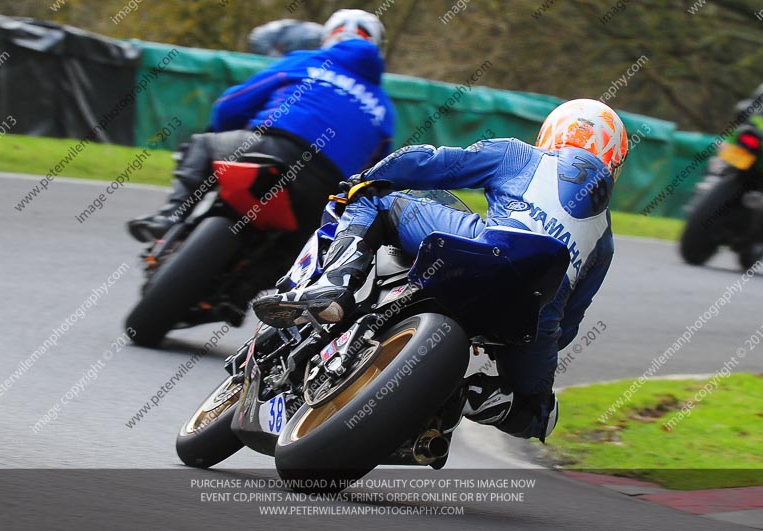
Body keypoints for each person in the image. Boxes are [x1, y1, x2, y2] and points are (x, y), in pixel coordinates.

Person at [253, 99, 628, 442]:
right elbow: (566, 328)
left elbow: (436, 163)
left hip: (489, 249)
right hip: (535, 312)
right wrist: (514, 336)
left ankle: (335, 285)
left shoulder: (522, 155)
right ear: (614, 159)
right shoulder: (605, 239)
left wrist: (370, 176)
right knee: (537, 414)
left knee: (376, 201)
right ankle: (464, 397)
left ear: (553, 132)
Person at [127, 8, 395, 243]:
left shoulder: (305, 60)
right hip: (325, 186)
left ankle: (170, 216)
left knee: (203, 145)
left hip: (269, 145)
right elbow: (377, 174)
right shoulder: (384, 107)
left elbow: (231, 105)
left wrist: (224, 130)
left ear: (328, 37)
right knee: (298, 244)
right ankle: (246, 293)